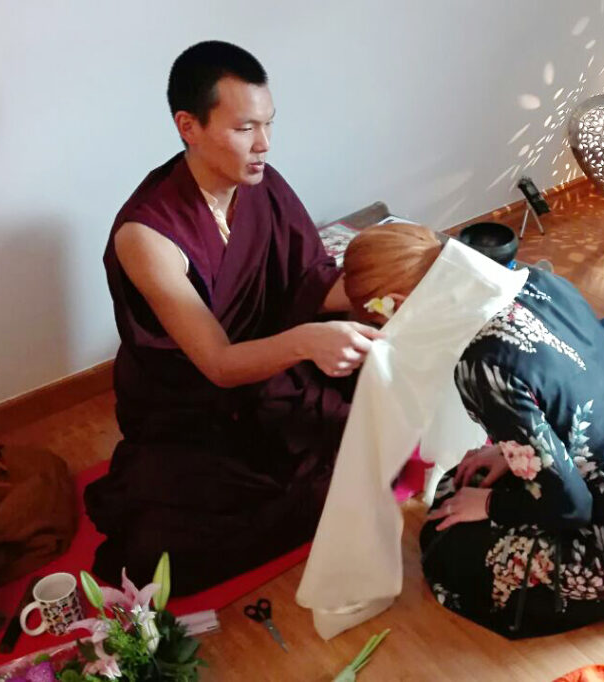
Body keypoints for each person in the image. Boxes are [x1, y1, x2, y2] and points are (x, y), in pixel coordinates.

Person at [85, 41, 382, 594]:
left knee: (385, 373)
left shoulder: (259, 182)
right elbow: (218, 364)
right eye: (245, 128)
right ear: (188, 126)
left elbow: (308, 281)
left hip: (271, 364)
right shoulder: (147, 236)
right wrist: (307, 342)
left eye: (268, 125)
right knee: (172, 543)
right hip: (191, 406)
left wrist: (387, 290)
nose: (264, 145)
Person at [342, 223, 604, 638]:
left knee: (450, 553)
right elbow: (577, 399)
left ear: (397, 305)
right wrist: (509, 449)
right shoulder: (531, 279)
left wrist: (489, 506)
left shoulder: (482, 365)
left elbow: (570, 506)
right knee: (464, 482)